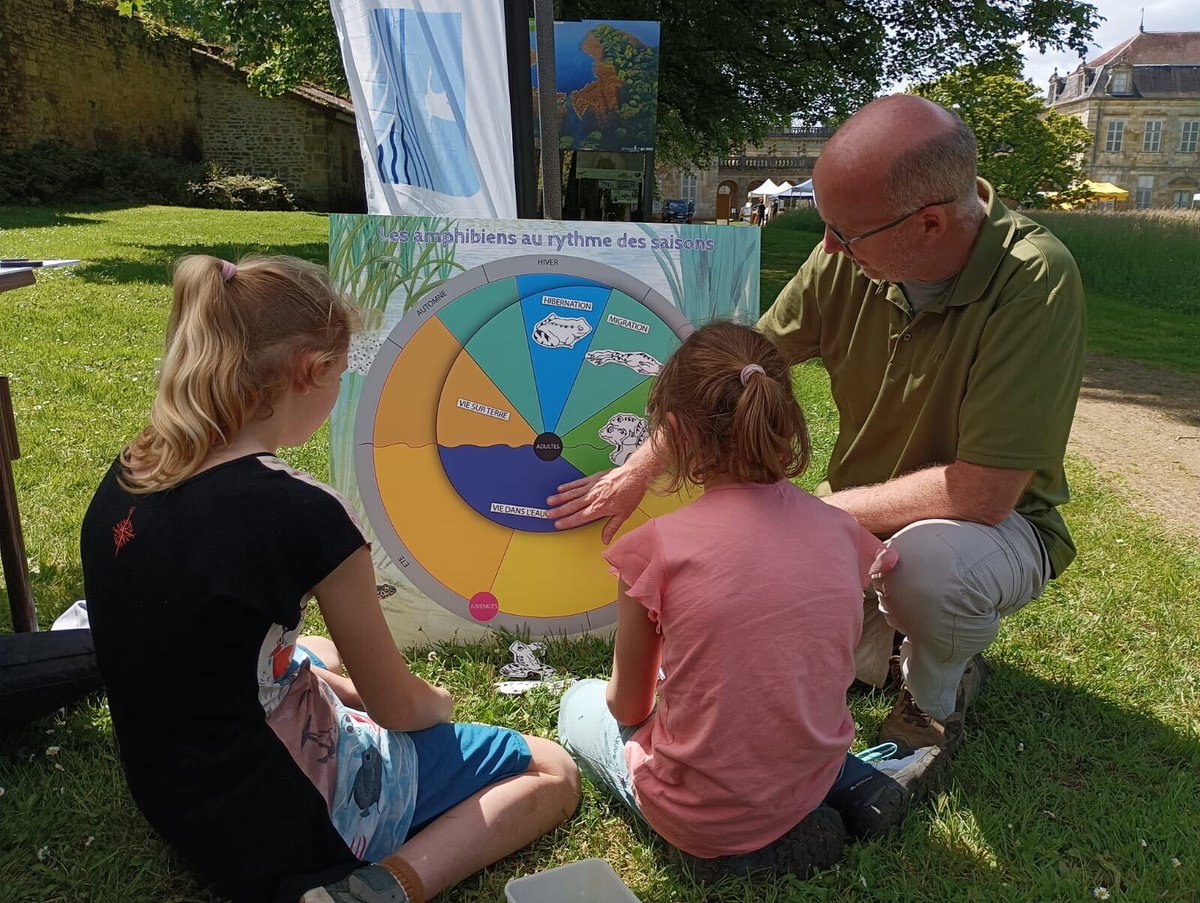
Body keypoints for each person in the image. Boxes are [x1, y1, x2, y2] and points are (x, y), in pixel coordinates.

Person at [548, 94, 1086, 767]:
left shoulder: (1034, 278)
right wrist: (640, 466)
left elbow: (984, 493)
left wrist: (803, 515)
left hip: (990, 530)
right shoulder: (850, 256)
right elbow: (740, 369)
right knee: (761, 594)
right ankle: (896, 646)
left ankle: (930, 704)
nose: (827, 247)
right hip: (861, 523)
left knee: (924, 570)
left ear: (928, 225)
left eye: (846, 232)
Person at [81, 255, 579, 903]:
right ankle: (383, 886)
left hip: (170, 792)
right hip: (280, 820)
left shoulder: (133, 466)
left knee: (320, 651)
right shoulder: (305, 514)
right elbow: (400, 706)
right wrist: (439, 705)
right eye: (341, 374)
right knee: (551, 767)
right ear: (312, 371)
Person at [557, 322, 911, 883]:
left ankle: (744, 856)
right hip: (810, 766)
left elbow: (628, 709)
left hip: (703, 815)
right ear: (784, 418)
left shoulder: (654, 552)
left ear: (673, 432)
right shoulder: (843, 530)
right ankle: (851, 786)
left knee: (577, 705)